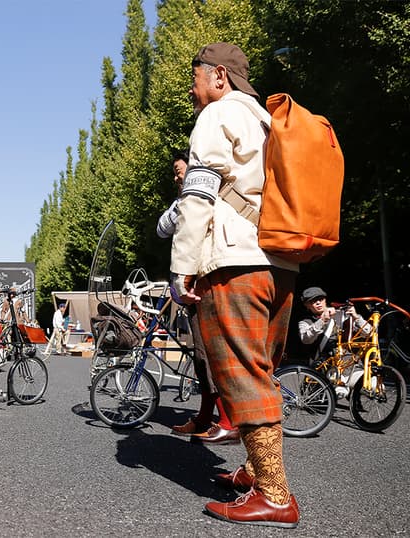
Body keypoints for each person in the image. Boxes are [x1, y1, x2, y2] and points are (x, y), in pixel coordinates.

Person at [169, 43, 300, 526]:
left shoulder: (217, 115)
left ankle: (275, 495)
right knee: (263, 368)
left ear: (219, 76)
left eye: (195, 78)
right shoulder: (269, 122)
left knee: (241, 374)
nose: (192, 89)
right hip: (282, 261)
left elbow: (198, 196)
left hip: (235, 261)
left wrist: (182, 266)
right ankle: (255, 469)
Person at [157, 150, 238, 443]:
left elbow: (189, 231)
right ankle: (207, 416)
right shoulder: (184, 200)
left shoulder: (206, 192)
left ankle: (228, 420)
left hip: (206, 278)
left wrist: (183, 278)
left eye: (179, 170)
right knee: (201, 355)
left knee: (210, 352)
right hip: (203, 279)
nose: (176, 176)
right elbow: (162, 228)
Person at [298, 286, 372, 360]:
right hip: (323, 362)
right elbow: (306, 340)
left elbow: (369, 333)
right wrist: (322, 320)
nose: (318, 303)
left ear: (325, 300)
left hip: (348, 361)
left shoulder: (343, 315)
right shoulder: (305, 322)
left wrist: (356, 317)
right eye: (313, 301)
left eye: (320, 299)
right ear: (307, 305)